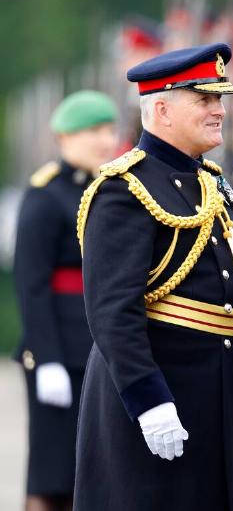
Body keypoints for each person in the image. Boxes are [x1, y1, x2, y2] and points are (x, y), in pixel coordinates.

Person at [73, 43, 233, 511]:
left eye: (220, 99)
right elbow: (113, 313)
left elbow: (229, 307)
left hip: (217, 403)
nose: (220, 110)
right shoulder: (124, 190)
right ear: (161, 108)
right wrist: (147, 399)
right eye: (204, 100)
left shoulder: (213, 184)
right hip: (159, 404)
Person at [14, 90, 118, 511]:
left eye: (109, 130)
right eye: (94, 131)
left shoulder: (108, 189)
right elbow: (31, 283)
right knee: (52, 471)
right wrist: (47, 356)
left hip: (100, 350)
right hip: (59, 352)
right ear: (65, 137)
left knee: (93, 471)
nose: (105, 140)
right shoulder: (44, 195)